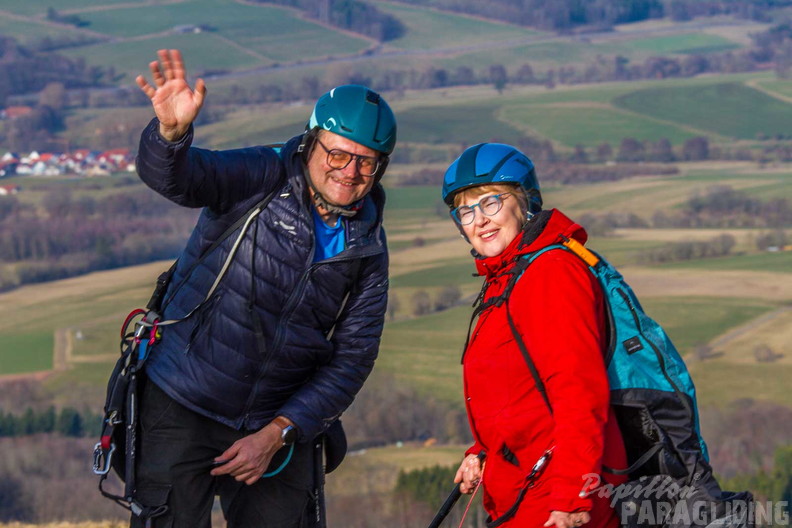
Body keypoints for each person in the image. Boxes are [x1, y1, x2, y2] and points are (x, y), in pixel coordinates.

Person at [130, 49, 396, 528]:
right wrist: (171, 136)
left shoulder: (369, 248)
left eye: (367, 162)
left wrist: (279, 431)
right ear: (312, 143)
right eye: (337, 153)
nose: (349, 171)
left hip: (276, 422)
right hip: (183, 397)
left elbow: (353, 357)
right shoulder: (262, 174)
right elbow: (178, 179)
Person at [441, 143, 627, 528]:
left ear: (525, 202)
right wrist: (482, 451)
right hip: (521, 491)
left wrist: (573, 497)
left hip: (558, 499)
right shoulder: (507, 277)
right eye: (466, 210)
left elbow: (578, 391)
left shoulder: (551, 273)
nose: (479, 220)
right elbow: (516, 391)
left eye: (491, 202)